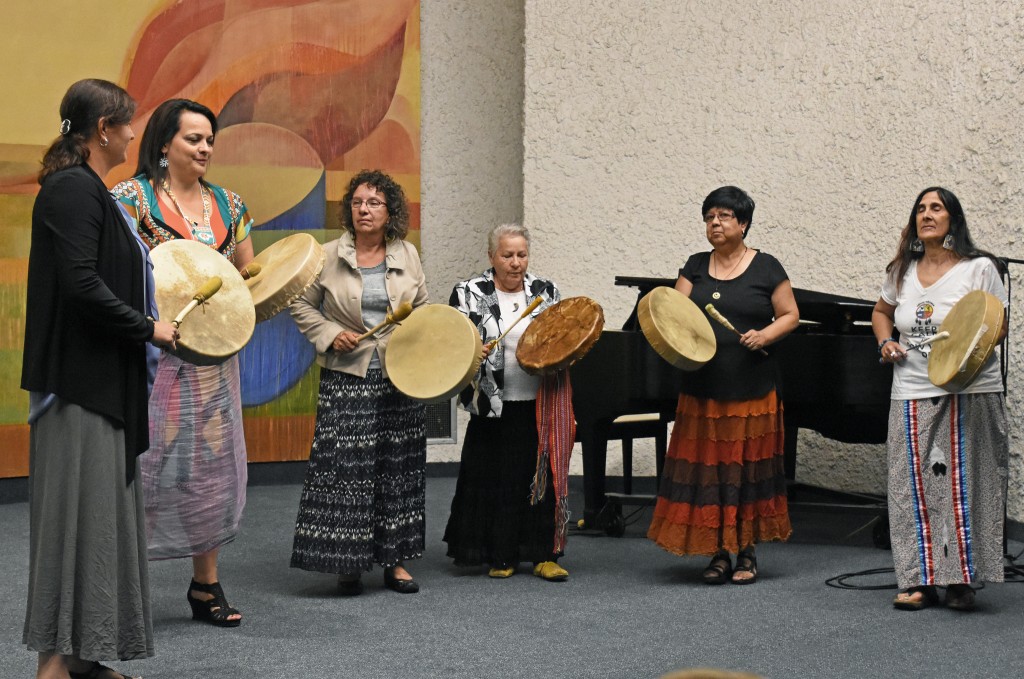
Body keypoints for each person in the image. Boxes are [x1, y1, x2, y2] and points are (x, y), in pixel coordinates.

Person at [22, 79, 178, 679]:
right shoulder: (70, 190)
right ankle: (53, 666)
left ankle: (84, 656)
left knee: (99, 524)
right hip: (77, 388)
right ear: (105, 129)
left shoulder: (89, 189)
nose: (136, 134)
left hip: (101, 386)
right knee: (70, 524)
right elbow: (81, 285)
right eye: (129, 124)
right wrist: (148, 328)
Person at [112, 99, 254, 627]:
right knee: (141, 469)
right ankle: (126, 586)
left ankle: (206, 585)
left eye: (210, 140)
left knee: (209, 469)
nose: (205, 148)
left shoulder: (230, 204)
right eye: (194, 138)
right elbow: (113, 272)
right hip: (149, 356)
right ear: (164, 143)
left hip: (212, 365)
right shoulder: (130, 198)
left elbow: (246, 277)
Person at [647, 186, 799, 585]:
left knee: (745, 471)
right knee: (710, 473)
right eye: (709, 216)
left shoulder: (767, 267)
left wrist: (765, 336)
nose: (715, 223)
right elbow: (675, 316)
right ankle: (716, 554)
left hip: (752, 390)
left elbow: (790, 315)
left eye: (724, 216)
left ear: (743, 223)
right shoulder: (695, 266)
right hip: (703, 389)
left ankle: (746, 552)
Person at [290, 170, 429, 595]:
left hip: (400, 375)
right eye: (357, 202)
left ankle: (396, 560)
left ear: (391, 213)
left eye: (374, 203)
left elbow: (422, 309)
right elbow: (300, 303)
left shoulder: (408, 254)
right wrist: (331, 333)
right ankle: (346, 563)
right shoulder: (326, 255)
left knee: (398, 466)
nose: (364, 209)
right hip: (346, 374)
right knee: (345, 470)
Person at [872, 187, 1008, 611]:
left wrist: (965, 353)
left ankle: (961, 583)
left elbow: (996, 324)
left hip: (970, 389)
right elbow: (881, 313)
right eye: (921, 209)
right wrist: (885, 343)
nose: (927, 214)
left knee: (964, 485)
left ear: (953, 220)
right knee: (912, 485)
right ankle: (918, 581)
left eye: (937, 208)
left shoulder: (979, 268)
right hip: (912, 387)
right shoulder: (901, 270)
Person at [444, 223, 572, 582]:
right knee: (495, 478)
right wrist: (473, 350)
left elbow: (560, 338)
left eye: (522, 255)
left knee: (539, 479)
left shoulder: (546, 291)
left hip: (538, 400)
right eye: (507, 255)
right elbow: (450, 343)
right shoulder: (468, 292)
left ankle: (545, 554)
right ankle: (501, 554)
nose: (516, 263)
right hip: (490, 401)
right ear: (491, 257)